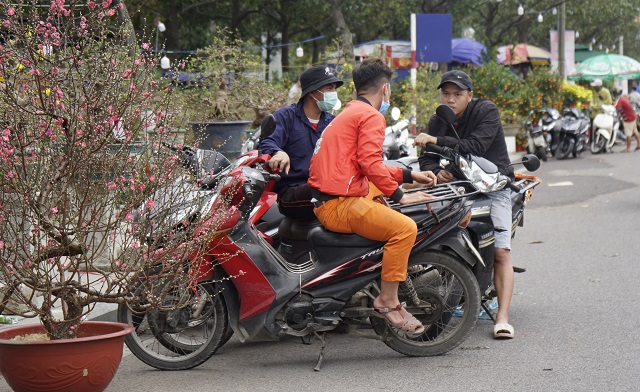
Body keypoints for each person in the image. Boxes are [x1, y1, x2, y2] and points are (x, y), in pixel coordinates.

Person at [308, 58, 438, 335]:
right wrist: (401, 195)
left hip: (333, 197)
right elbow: (370, 164)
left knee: (389, 196)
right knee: (405, 228)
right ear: (386, 89)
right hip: (338, 205)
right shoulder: (371, 116)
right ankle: (388, 300)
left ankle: (391, 268)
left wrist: (408, 177)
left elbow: (366, 165)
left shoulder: (350, 111)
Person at [413, 69, 516, 339]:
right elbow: (427, 160)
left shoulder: (486, 111)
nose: (450, 99)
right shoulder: (439, 119)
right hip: (459, 187)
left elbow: (475, 147)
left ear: (470, 95)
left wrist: (436, 141)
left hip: (494, 186)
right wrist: (435, 174)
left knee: (501, 252)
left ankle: (502, 318)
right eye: (446, 94)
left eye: (457, 94)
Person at [260, 65, 343, 221]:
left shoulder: (334, 123)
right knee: (327, 190)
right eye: (329, 88)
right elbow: (268, 140)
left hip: (325, 185)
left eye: (335, 89)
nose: (334, 93)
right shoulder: (286, 117)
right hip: (292, 192)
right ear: (312, 91)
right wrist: (278, 152)